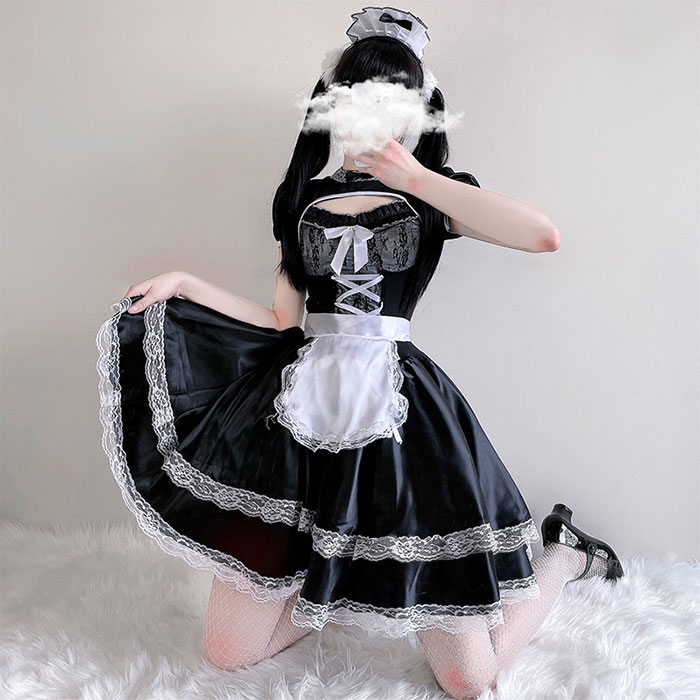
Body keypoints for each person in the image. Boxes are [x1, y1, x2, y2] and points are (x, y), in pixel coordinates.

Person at [95, 6, 624, 699]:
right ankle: (329, 586)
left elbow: (542, 235)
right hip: (300, 413)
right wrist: (186, 284)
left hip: (401, 420)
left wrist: (418, 178)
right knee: (226, 651)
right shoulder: (302, 201)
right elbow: (282, 319)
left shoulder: (431, 196)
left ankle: (565, 556)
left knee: (470, 681)